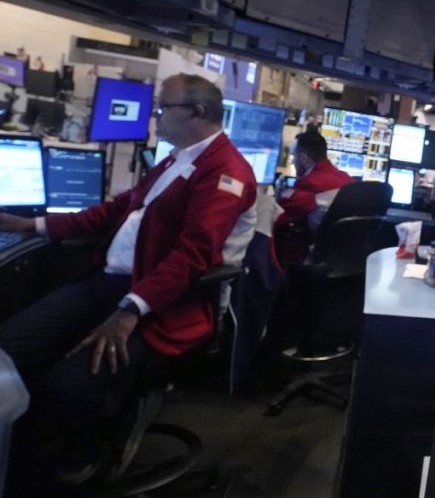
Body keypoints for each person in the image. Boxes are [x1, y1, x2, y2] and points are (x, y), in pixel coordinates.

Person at [0, 74, 257, 490]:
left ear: (196, 112)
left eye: (163, 108)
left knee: (65, 384)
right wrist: (30, 223)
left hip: (167, 306)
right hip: (117, 284)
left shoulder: (226, 172)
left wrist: (129, 311)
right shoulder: (176, 159)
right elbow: (116, 211)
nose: (155, 116)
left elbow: (192, 256)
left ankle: (79, 457)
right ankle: (30, 451)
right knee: (9, 349)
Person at [273, 131, 353, 264]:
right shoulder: (346, 178)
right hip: (346, 258)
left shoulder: (309, 183)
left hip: (315, 257)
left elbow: (280, 213)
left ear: (304, 158)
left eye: (294, 156)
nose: (292, 161)